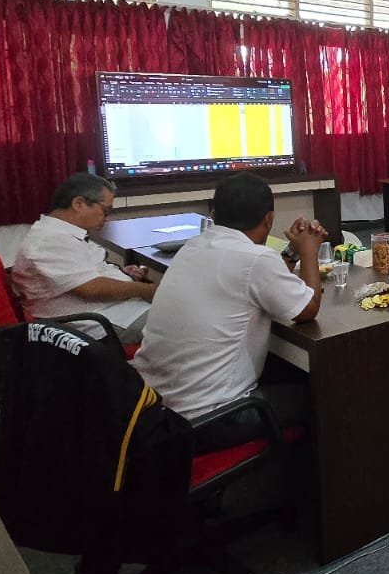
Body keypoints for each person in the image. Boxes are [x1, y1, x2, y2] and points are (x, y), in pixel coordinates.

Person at [133, 172, 326, 450]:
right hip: (210, 419)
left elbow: (264, 281)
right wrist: (309, 252)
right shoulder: (256, 259)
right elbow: (308, 309)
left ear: (213, 213)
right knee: (325, 392)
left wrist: (292, 253)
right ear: (269, 219)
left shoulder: (193, 246)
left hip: (153, 408)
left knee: (289, 370)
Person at [11, 172, 157, 342]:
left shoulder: (62, 234)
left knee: (182, 309)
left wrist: (124, 275)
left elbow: (83, 272)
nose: (106, 218)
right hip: (99, 322)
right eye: (105, 211)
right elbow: (92, 289)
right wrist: (145, 290)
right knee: (186, 319)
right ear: (79, 203)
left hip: (109, 310)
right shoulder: (50, 240)